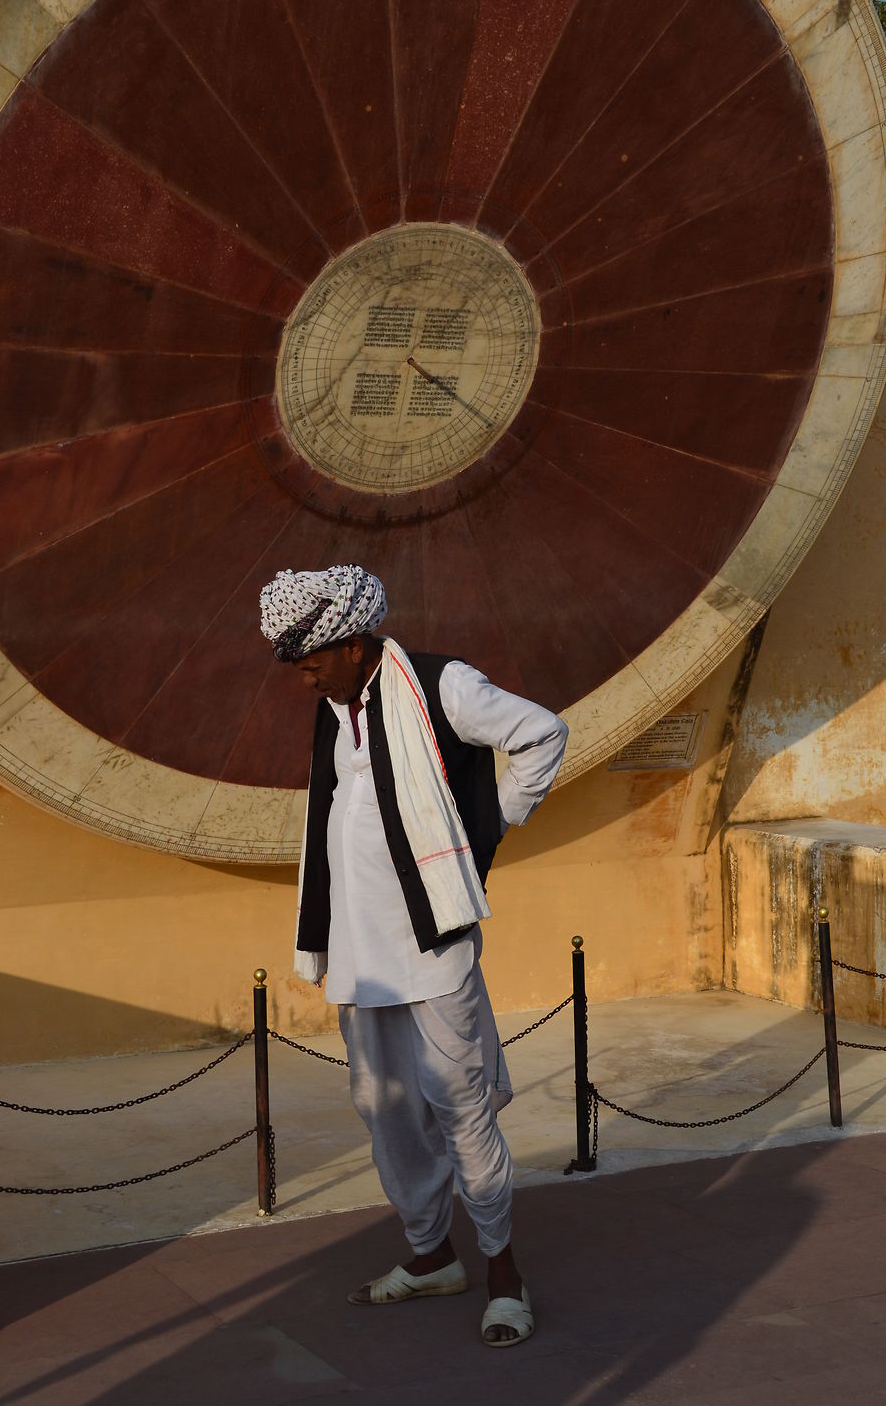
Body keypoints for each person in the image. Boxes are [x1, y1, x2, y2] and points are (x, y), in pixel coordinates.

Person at [259, 563, 568, 1348]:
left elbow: (541, 733)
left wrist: (491, 826)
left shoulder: (441, 685)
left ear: (356, 643)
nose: (303, 676)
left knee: (460, 1106)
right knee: (383, 1107)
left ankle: (503, 1272)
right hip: (361, 951)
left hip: (432, 939)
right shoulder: (337, 708)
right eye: (295, 662)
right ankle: (432, 1255)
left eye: (313, 658)